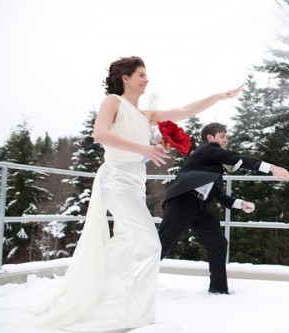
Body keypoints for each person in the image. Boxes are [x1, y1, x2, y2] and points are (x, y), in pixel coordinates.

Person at [34, 56, 243, 331]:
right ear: (126, 78)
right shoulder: (113, 101)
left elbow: (185, 110)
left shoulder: (146, 115)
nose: (147, 80)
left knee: (127, 246)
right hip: (116, 180)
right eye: (142, 75)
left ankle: (109, 301)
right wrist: (143, 149)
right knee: (149, 244)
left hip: (135, 184)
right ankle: (135, 316)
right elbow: (100, 134)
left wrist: (217, 97)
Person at [158, 122, 289, 294]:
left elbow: (217, 195)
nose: (225, 140)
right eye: (222, 136)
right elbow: (236, 158)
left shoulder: (211, 165)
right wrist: (271, 168)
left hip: (199, 206)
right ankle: (134, 281)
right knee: (163, 243)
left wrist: (240, 203)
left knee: (218, 242)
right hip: (181, 201)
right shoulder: (208, 149)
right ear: (210, 137)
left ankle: (218, 290)